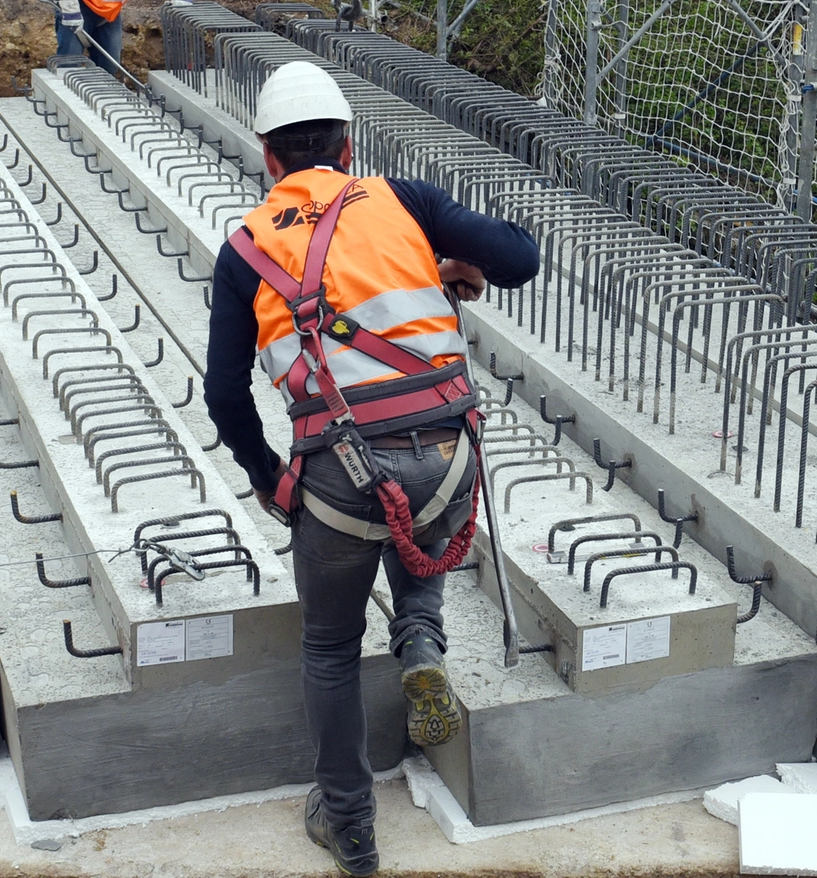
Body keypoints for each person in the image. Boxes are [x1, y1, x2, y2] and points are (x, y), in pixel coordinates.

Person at [203, 62, 537, 876]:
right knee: (416, 511)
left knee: (329, 645)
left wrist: (268, 475)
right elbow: (520, 258)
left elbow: (224, 394)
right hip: (451, 464)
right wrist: (440, 264)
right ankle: (420, 638)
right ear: (348, 146)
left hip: (341, 478)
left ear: (268, 157)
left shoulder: (246, 250)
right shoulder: (403, 201)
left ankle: (350, 825)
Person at [55, 0, 125, 76]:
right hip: (77, 7)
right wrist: (69, 8)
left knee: (109, 66)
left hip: (109, 12)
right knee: (69, 65)